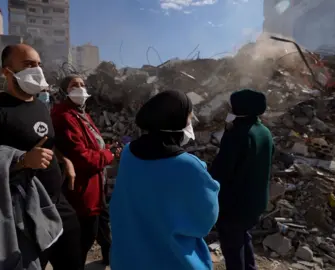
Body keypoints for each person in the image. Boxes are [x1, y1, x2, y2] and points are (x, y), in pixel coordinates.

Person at [0, 44, 83, 270]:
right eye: (28, 65)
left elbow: (44, 144)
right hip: (22, 212)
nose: (36, 70)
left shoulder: (40, 106)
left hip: (57, 203)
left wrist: (65, 159)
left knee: (74, 260)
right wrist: (22, 161)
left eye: (38, 64)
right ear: (6, 72)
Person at [109, 90, 220, 270]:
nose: (190, 122)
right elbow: (205, 219)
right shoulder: (190, 166)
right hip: (173, 260)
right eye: (189, 117)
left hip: (128, 257)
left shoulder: (129, 152)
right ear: (176, 119)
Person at [51, 74, 117, 266]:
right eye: (74, 85)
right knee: (82, 240)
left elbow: (92, 145)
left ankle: (111, 257)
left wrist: (107, 149)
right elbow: (82, 159)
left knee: (102, 224)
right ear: (65, 90)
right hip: (82, 189)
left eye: (82, 84)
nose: (80, 88)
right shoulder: (64, 116)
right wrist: (109, 155)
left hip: (97, 185)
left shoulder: (82, 114)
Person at [209, 89, 274, 270]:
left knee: (232, 247)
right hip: (256, 202)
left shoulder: (237, 134)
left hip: (234, 204)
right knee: (243, 237)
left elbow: (222, 170)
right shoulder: (264, 132)